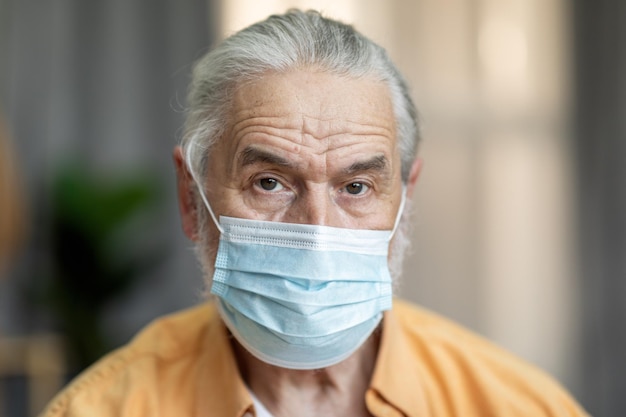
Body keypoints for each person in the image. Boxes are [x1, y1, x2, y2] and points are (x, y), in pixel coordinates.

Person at [40, 10, 589, 417]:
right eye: (270, 182)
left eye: (356, 186)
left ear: (406, 197)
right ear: (192, 198)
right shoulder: (102, 409)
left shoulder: (517, 406)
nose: (318, 231)